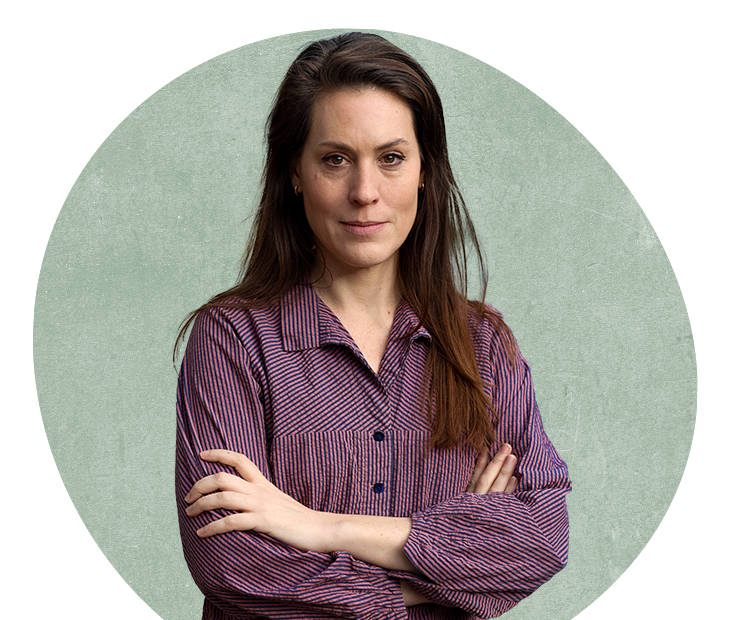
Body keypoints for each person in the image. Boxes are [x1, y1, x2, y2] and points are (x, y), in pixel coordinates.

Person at [175, 32, 571, 620]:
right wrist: (451, 566)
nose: (365, 193)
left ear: (424, 171)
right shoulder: (233, 339)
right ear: (295, 172)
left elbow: (540, 539)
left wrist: (321, 526)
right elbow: (233, 564)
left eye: (391, 158)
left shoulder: (483, 344)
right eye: (335, 159)